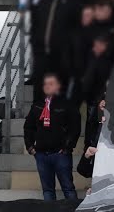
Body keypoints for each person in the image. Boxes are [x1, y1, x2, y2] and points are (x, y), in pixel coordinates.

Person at [23, 73, 80, 201]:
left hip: (60, 154)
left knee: (68, 188)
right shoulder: (38, 105)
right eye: (45, 84)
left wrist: (67, 148)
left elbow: (75, 128)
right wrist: (30, 146)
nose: (47, 86)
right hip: (42, 154)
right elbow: (28, 127)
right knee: (48, 191)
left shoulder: (67, 104)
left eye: (51, 84)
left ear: (58, 86)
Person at [29, 0, 80, 86]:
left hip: (64, 55)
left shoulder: (73, 1)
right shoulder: (44, 0)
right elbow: (35, 23)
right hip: (42, 54)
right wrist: (35, 41)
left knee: (61, 87)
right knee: (40, 87)